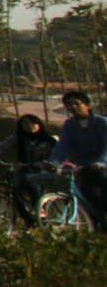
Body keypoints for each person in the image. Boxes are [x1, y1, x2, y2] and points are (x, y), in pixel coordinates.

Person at [0, 113, 58, 226]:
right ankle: (27, 218)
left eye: (32, 124)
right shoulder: (19, 138)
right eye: (25, 124)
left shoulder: (48, 140)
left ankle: (40, 210)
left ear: (38, 124)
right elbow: (3, 146)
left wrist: (48, 164)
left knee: (32, 184)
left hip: (42, 171)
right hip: (23, 170)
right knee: (14, 190)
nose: (29, 127)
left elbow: (57, 156)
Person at [52, 90, 107, 231]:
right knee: (85, 196)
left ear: (88, 105)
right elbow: (62, 146)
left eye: (77, 103)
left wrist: (101, 162)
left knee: (100, 196)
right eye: (69, 104)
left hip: (101, 166)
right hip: (84, 166)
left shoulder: (102, 123)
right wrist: (53, 162)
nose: (73, 107)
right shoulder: (69, 125)